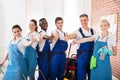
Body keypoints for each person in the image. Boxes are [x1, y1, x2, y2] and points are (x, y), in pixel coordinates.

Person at [67, 14, 95, 80]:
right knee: (81, 75)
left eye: (85, 20)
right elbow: (73, 35)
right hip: (82, 57)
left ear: (88, 20)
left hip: (91, 56)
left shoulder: (93, 31)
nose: (83, 22)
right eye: (81, 20)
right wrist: (68, 36)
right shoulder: (78, 32)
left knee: (92, 74)